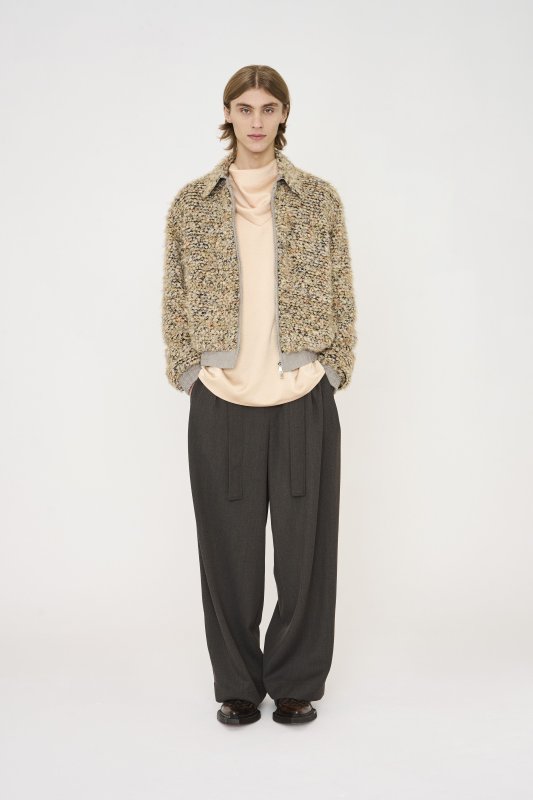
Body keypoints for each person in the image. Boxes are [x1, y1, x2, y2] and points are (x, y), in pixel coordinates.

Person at [162, 64, 357, 725]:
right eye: (244, 108)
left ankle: (296, 682)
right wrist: (190, 371)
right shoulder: (192, 204)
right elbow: (173, 296)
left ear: (283, 116)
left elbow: (342, 288)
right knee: (228, 554)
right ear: (227, 114)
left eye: (267, 108)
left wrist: (332, 367)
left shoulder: (318, 200)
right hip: (221, 400)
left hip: (302, 395)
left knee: (305, 555)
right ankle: (238, 685)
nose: (255, 120)